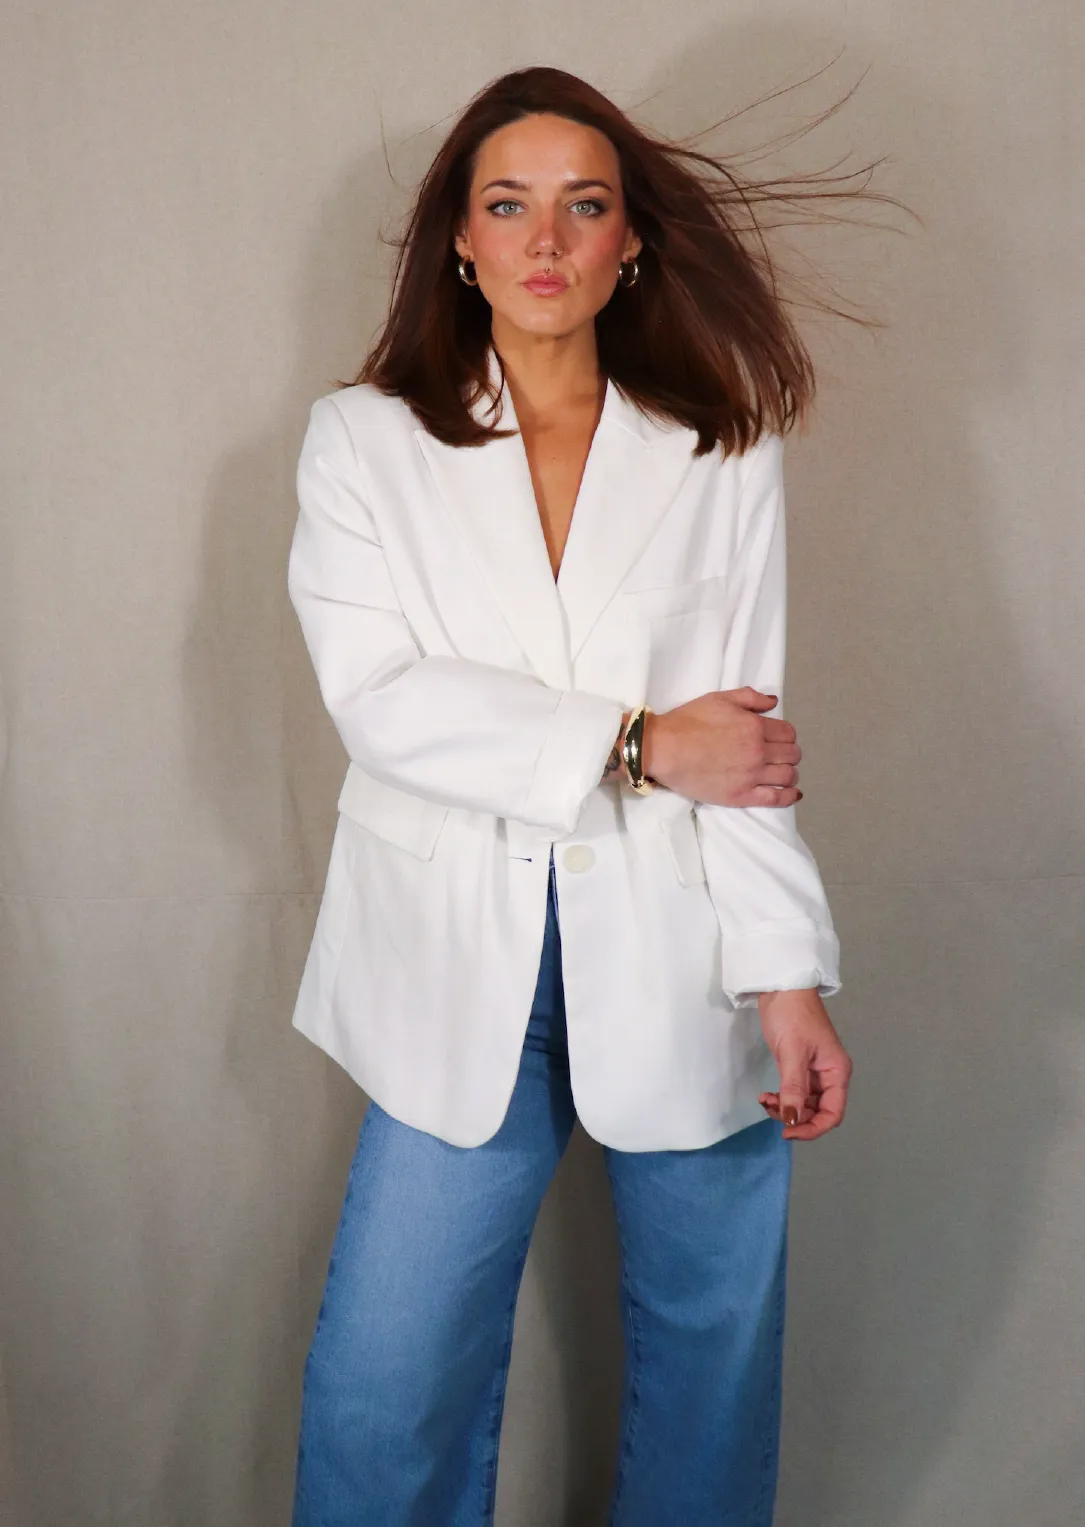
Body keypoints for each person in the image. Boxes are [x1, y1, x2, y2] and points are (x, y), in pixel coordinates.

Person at [287, 64, 854, 1527]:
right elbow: (382, 701)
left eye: (584, 207)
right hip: (451, 960)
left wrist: (788, 976)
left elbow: (747, 739)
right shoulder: (364, 442)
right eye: (509, 204)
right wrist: (634, 743)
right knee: (384, 1384)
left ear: (631, 244)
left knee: (711, 1364)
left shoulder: (721, 445)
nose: (547, 239)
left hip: (688, 952)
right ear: (459, 243)